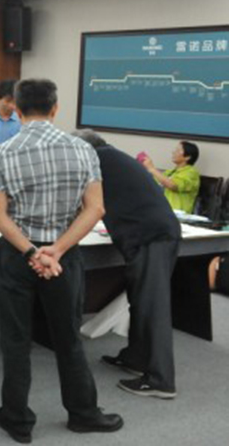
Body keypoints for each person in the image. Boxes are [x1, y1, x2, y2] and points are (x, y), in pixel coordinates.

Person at [0, 78, 122, 442]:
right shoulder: (83, 150)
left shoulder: (3, 151)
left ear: (16, 109)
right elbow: (95, 209)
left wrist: (32, 252)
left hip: (17, 255)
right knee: (68, 337)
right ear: (55, 108)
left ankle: (16, 419)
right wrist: (57, 250)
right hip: (64, 256)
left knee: (15, 339)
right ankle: (84, 414)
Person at [73, 129, 180, 399]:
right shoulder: (113, 157)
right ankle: (136, 358)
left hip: (151, 237)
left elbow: (83, 205)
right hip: (152, 233)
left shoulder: (96, 161)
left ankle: (161, 380)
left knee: (152, 307)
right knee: (140, 300)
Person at [139, 142, 201, 214]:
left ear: (187, 157)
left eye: (178, 150)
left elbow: (173, 185)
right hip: (162, 212)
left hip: (178, 215)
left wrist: (152, 169)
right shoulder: (170, 172)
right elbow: (154, 182)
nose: (173, 152)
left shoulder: (191, 173)